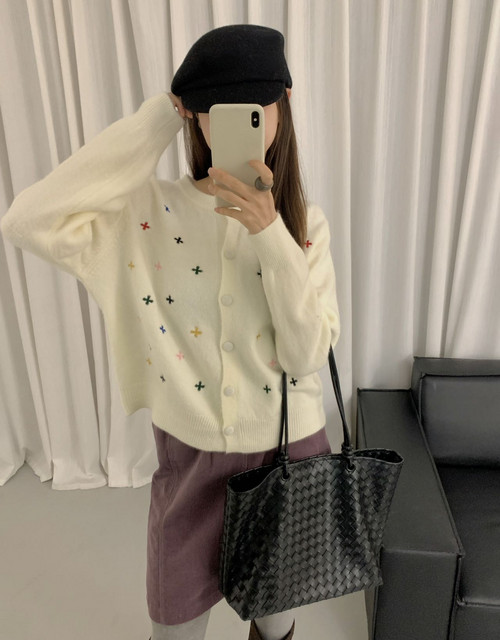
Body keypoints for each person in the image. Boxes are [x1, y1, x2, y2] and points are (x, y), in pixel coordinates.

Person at [1, 24, 340, 640]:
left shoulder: (304, 225)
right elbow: (27, 220)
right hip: (189, 461)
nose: (235, 122)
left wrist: (270, 235)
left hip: (287, 455)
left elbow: (306, 354)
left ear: (283, 107)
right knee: (174, 623)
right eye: (215, 109)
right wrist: (160, 115)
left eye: (254, 109)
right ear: (195, 116)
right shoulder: (145, 213)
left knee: (276, 623)